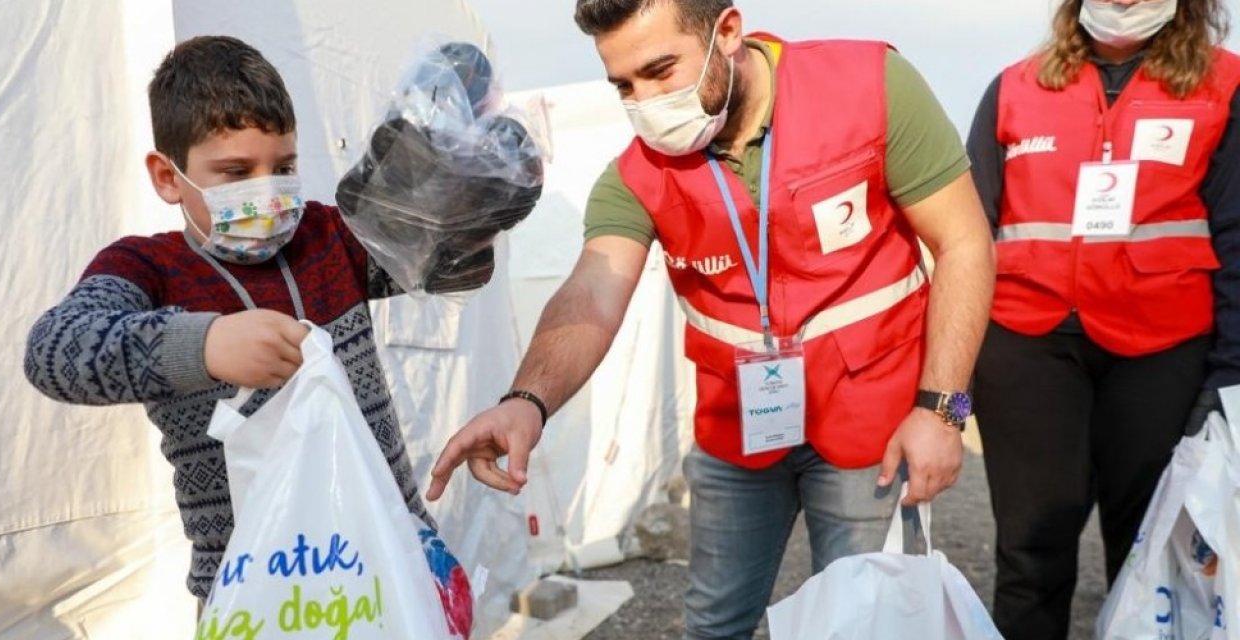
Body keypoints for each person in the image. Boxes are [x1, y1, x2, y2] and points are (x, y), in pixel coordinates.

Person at [426, 1, 995, 637]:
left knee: (868, 619)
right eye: (624, 85)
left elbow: (964, 243)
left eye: (661, 69)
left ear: (726, 31)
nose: (644, 101)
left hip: (873, 428)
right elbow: (591, 291)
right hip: (739, 430)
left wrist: (942, 409)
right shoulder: (635, 176)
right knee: (714, 622)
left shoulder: (871, 87)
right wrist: (526, 400)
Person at [21, 36, 493, 605]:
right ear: (168, 177)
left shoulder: (328, 239)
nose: (266, 191)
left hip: (389, 565)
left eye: (284, 166)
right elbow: (53, 352)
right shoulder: (150, 268)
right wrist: (204, 345)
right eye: (236, 172)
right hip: (255, 594)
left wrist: (470, 189)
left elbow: (443, 266)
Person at [965, 0, 1240, 637]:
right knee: (1029, 556)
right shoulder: (1013, 88)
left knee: (1149, 556)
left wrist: (1227, 380)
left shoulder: (1223, 86)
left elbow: (1235, 237)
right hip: (1026, 350)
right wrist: (948, 401)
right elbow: (968, 241)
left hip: (1162, 354)